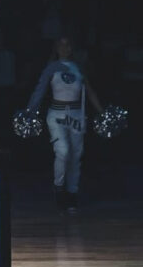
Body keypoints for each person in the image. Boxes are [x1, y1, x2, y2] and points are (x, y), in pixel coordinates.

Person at [27, 35, 104, 213]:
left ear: (71, 48)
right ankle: (59, 188)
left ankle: (72, 194)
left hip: (77, 115)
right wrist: (30, 111)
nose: (64, 48)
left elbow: (89, 91)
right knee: (63, 151)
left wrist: (101, 111)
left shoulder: (78, 68)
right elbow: (39, 90)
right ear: (56, 48)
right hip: (56, 115)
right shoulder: (51, 68)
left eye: (67, 44)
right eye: (61, 45)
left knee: (76, 156)